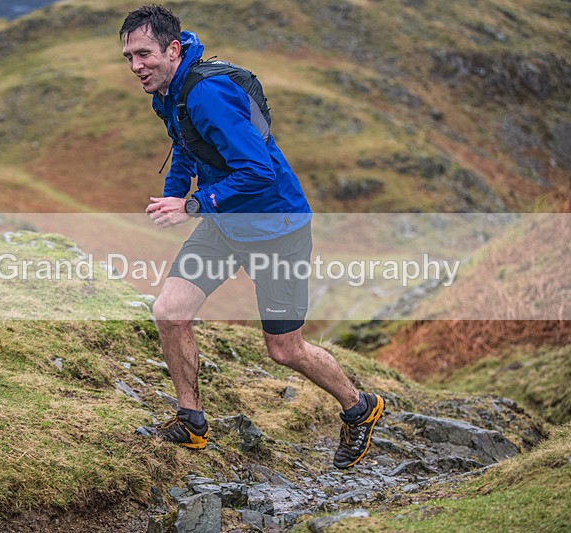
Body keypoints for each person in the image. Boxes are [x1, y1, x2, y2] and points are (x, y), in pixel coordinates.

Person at [119, 4, 383, 469]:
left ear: (173, 49)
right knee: (169, 312)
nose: (136, 66)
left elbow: (257, 171)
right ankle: (191, 421)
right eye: (129, 57)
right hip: (226, 227)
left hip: (277, 229)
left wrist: (194, 205)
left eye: (144, 54)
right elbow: (185, 148)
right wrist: (172, 199)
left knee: (285, 349)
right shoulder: (170, 92)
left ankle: (360, 409)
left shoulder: (207, 94)